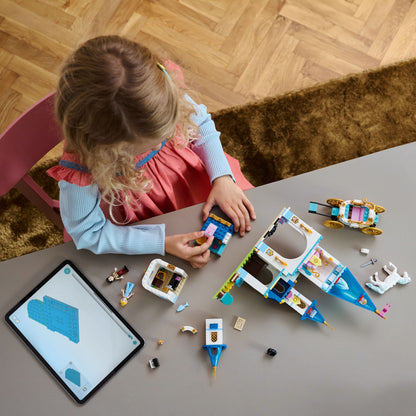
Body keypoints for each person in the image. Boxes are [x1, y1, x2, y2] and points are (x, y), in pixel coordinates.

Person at [48, 35, 256, 268]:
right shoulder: (81, 173)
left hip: (194, 184)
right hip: (141, 226)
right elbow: (88, 232)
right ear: (106, 149)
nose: (160, 145)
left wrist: (222, 177)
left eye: (167, 132)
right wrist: (162, 243)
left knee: (248, 222)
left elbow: (202, 126)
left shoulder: (156, 91)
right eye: (149, 143)